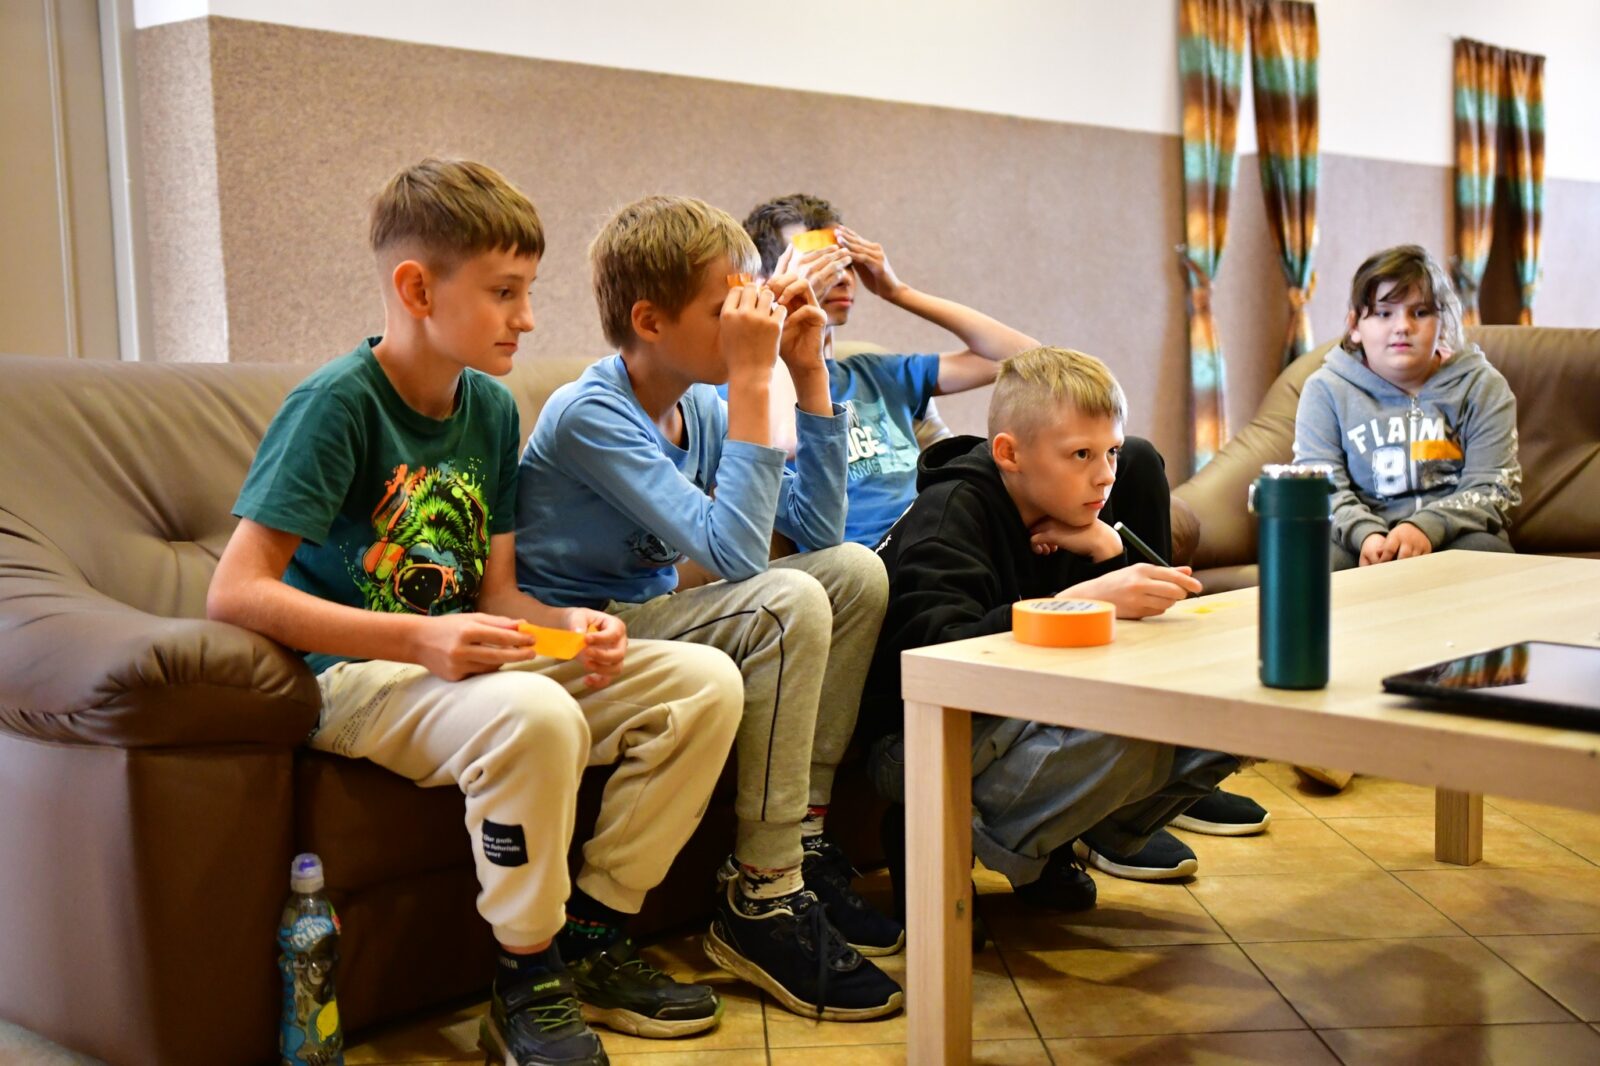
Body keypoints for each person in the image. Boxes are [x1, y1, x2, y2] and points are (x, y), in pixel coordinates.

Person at [208, 159, 744, 1066]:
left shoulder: (491, 409)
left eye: (528, 291)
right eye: (504, 292)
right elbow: (237, 592)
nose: (527, 318)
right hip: (356, 678)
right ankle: (525, 978)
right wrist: (421, 636)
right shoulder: (337, 405)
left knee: (704, 682)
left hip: (465, 663)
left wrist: (566, 627)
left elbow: (497, 597)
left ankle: (593, 932)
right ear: (417, 289)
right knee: (535, 713)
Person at [514, 194, 903, 1022]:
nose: (752, 316)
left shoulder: (700, 406)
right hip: (572, 636)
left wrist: (807, 373)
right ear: (650, 321)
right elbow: (736, 558)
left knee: (855, 573)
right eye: (730, 303)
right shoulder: (589, 414)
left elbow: (818, 531)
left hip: (648, 618)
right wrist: (759, 377)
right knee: (786, 599)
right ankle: (763, 892)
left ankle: (805, 840)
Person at [860, 347, 1241, 900]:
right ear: (1009, 453)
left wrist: (1110, 553)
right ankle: (926, 834)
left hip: (1021, 707)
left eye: (1110, 451)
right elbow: (933, 655)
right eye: (1081, 454)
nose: (1105, 476)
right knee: (1138, 725)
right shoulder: (951, 515)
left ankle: (1052, 844)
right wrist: (1075, 601)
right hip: (920, 734)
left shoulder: (1068, 503)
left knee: (1231, 708)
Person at [742, 193, 1037, 548]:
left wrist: (898, 291)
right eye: (817, 264)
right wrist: (779, 313)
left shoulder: (877, 371)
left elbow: (1027, 357)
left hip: (942, 530)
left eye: (846, 263)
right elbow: (787, 441)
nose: (842, 278)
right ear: (764, 279)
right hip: (875, 555)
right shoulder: (750, 384)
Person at [1295, 243, 1522, 570]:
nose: (1402, 326)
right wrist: (1365, 533)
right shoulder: (1325, 390)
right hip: (1358, 539)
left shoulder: (1483, 386)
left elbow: (1493, 487)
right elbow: (1319, 488)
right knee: (1317, 562)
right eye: (1384, 313)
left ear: (1442, 323)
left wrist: (1425, 527)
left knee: (1489, 555)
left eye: (1420, 313)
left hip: (1456, 534)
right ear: (1355, 326)